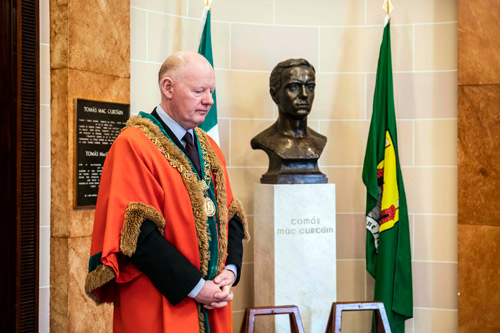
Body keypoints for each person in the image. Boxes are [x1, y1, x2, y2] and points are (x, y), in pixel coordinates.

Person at [84, 51, 249, 333]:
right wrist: (197, 288)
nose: (209, 100)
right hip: (160, 301)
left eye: (211, 90)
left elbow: (230, 214)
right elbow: (138, 234)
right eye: (199, 91)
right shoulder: (134, 145)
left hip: (213, 303)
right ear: (168, 87)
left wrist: (229, 273)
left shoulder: (209, 146)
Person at [251, 58, 327, 184]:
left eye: (310, 87)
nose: (304, 94)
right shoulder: (265, 140)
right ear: (274, 95)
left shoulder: (319, 141)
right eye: (294, 87)